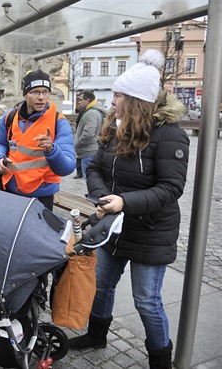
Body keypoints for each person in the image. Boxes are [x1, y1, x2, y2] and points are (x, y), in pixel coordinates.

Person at [70, 49, 189, 369]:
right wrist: (102, 199)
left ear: (136, 100)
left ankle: (161, 361)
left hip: (150, 230)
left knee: (147, 301)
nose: (112, 100)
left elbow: (171, 188)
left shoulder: (170, 135)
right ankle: (97, 334)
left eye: (118, 95)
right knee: (102, 285)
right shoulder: (114, 126)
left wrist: (125, 202)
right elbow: (94, 168)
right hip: (113, 225)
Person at [0, 70, 76, 210]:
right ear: (25, 94)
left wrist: (52, 150)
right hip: (11, 191)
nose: (41, 97)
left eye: (45, 92)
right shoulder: (9, 117)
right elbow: (1, 144)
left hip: (41, 196)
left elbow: (67, 168)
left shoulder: (59, 122)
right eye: (35, 92)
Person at [74, 90, 105, 180]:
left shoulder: (91, 113)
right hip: (88, 152)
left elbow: (88, 134)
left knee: (89, 181)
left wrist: (77, 144)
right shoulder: (90, 111)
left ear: (87, 100)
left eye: (80, 99)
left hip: (88, 152)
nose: (79, 102)